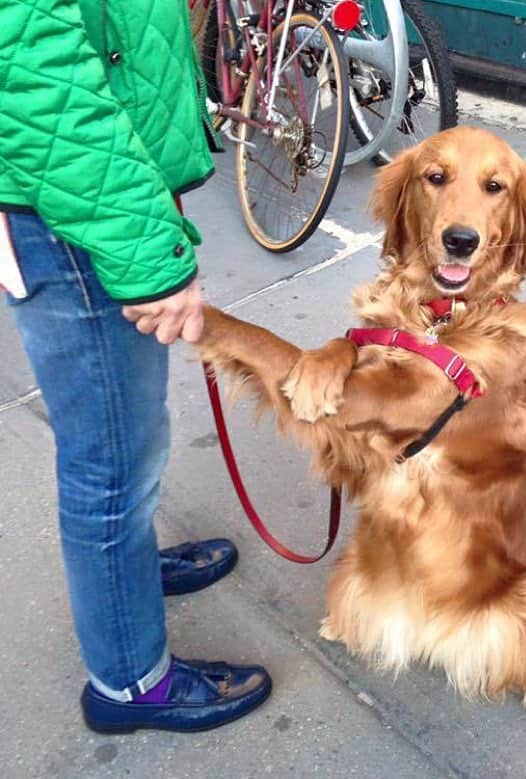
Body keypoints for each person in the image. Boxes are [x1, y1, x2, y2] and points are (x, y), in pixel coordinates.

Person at [0, 0, 271, 732]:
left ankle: (128, 580)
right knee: (110, 461)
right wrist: (147, 248)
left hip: (93, 197)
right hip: (72, 212)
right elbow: (28, 68)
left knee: (129, 439)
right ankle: (128, 682)